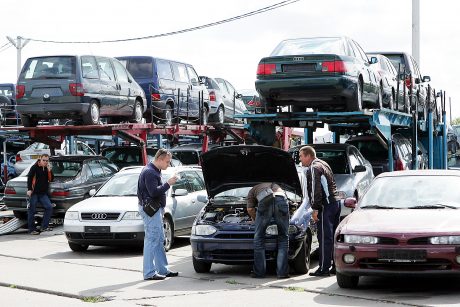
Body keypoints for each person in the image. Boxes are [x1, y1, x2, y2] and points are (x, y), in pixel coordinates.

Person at [298, 146, 341, 277]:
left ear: (308, 156)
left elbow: (315, 190)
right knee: (333, 237)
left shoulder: (313, 168)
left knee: (324, 238)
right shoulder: (324, 164)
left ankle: (323, 268)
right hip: (336, 203)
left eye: (301, 156)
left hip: (325, 206)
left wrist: (315, 209)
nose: (300, 160)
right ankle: (335, 266)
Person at [137, 148, 179, 281]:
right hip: (151, 211)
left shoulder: (154, 170)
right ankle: (149, 273)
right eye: (167, 162)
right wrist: (168, 183)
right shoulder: (150, 172)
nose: (169, 164)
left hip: (155, 210)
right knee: (152, 240)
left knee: (159, 239)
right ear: (159, 159)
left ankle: (163, 269)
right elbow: (154, 192)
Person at [247, 182, 289, 279]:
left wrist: (255, 219)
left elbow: (250, 209)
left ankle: (259, 272)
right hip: (281, 198)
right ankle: (282, 273)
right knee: (283, 237)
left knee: (259, 237)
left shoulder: (253, 190)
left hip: (265, 200)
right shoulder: (276, 184)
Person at [27, 154, 54, 235]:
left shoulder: (47, 168)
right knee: (32, 211)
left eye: (47, 161)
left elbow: (51, 179)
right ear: (40, 160)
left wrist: (49, 170)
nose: (45, 162)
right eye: (44, 160)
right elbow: (29, 178)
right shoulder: (34, 167)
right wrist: (29, 189)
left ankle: (44, 227)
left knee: (49, 207)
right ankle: (32, 229)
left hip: (43, 194)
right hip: (34, 193)